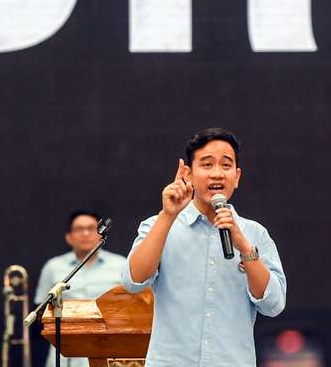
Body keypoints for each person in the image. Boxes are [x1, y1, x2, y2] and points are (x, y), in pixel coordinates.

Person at [121, 128, 286, 367]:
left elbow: (274, 305)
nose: (217, 174)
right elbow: (132, 281)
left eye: (226, 165)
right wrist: (167, 216)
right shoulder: (159, 225)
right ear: (188, 174)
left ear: (237, 176)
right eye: (207, 165)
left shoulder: (254, 234)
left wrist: (243, 246)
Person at [34, 211, 126, 367]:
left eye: (91, 228)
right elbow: (41, 310)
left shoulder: (120, 264)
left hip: (110, 349)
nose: (85, 233)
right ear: (69, 237)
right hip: (64, 352)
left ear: (101, 233)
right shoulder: (53, 267)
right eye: (79, 229)